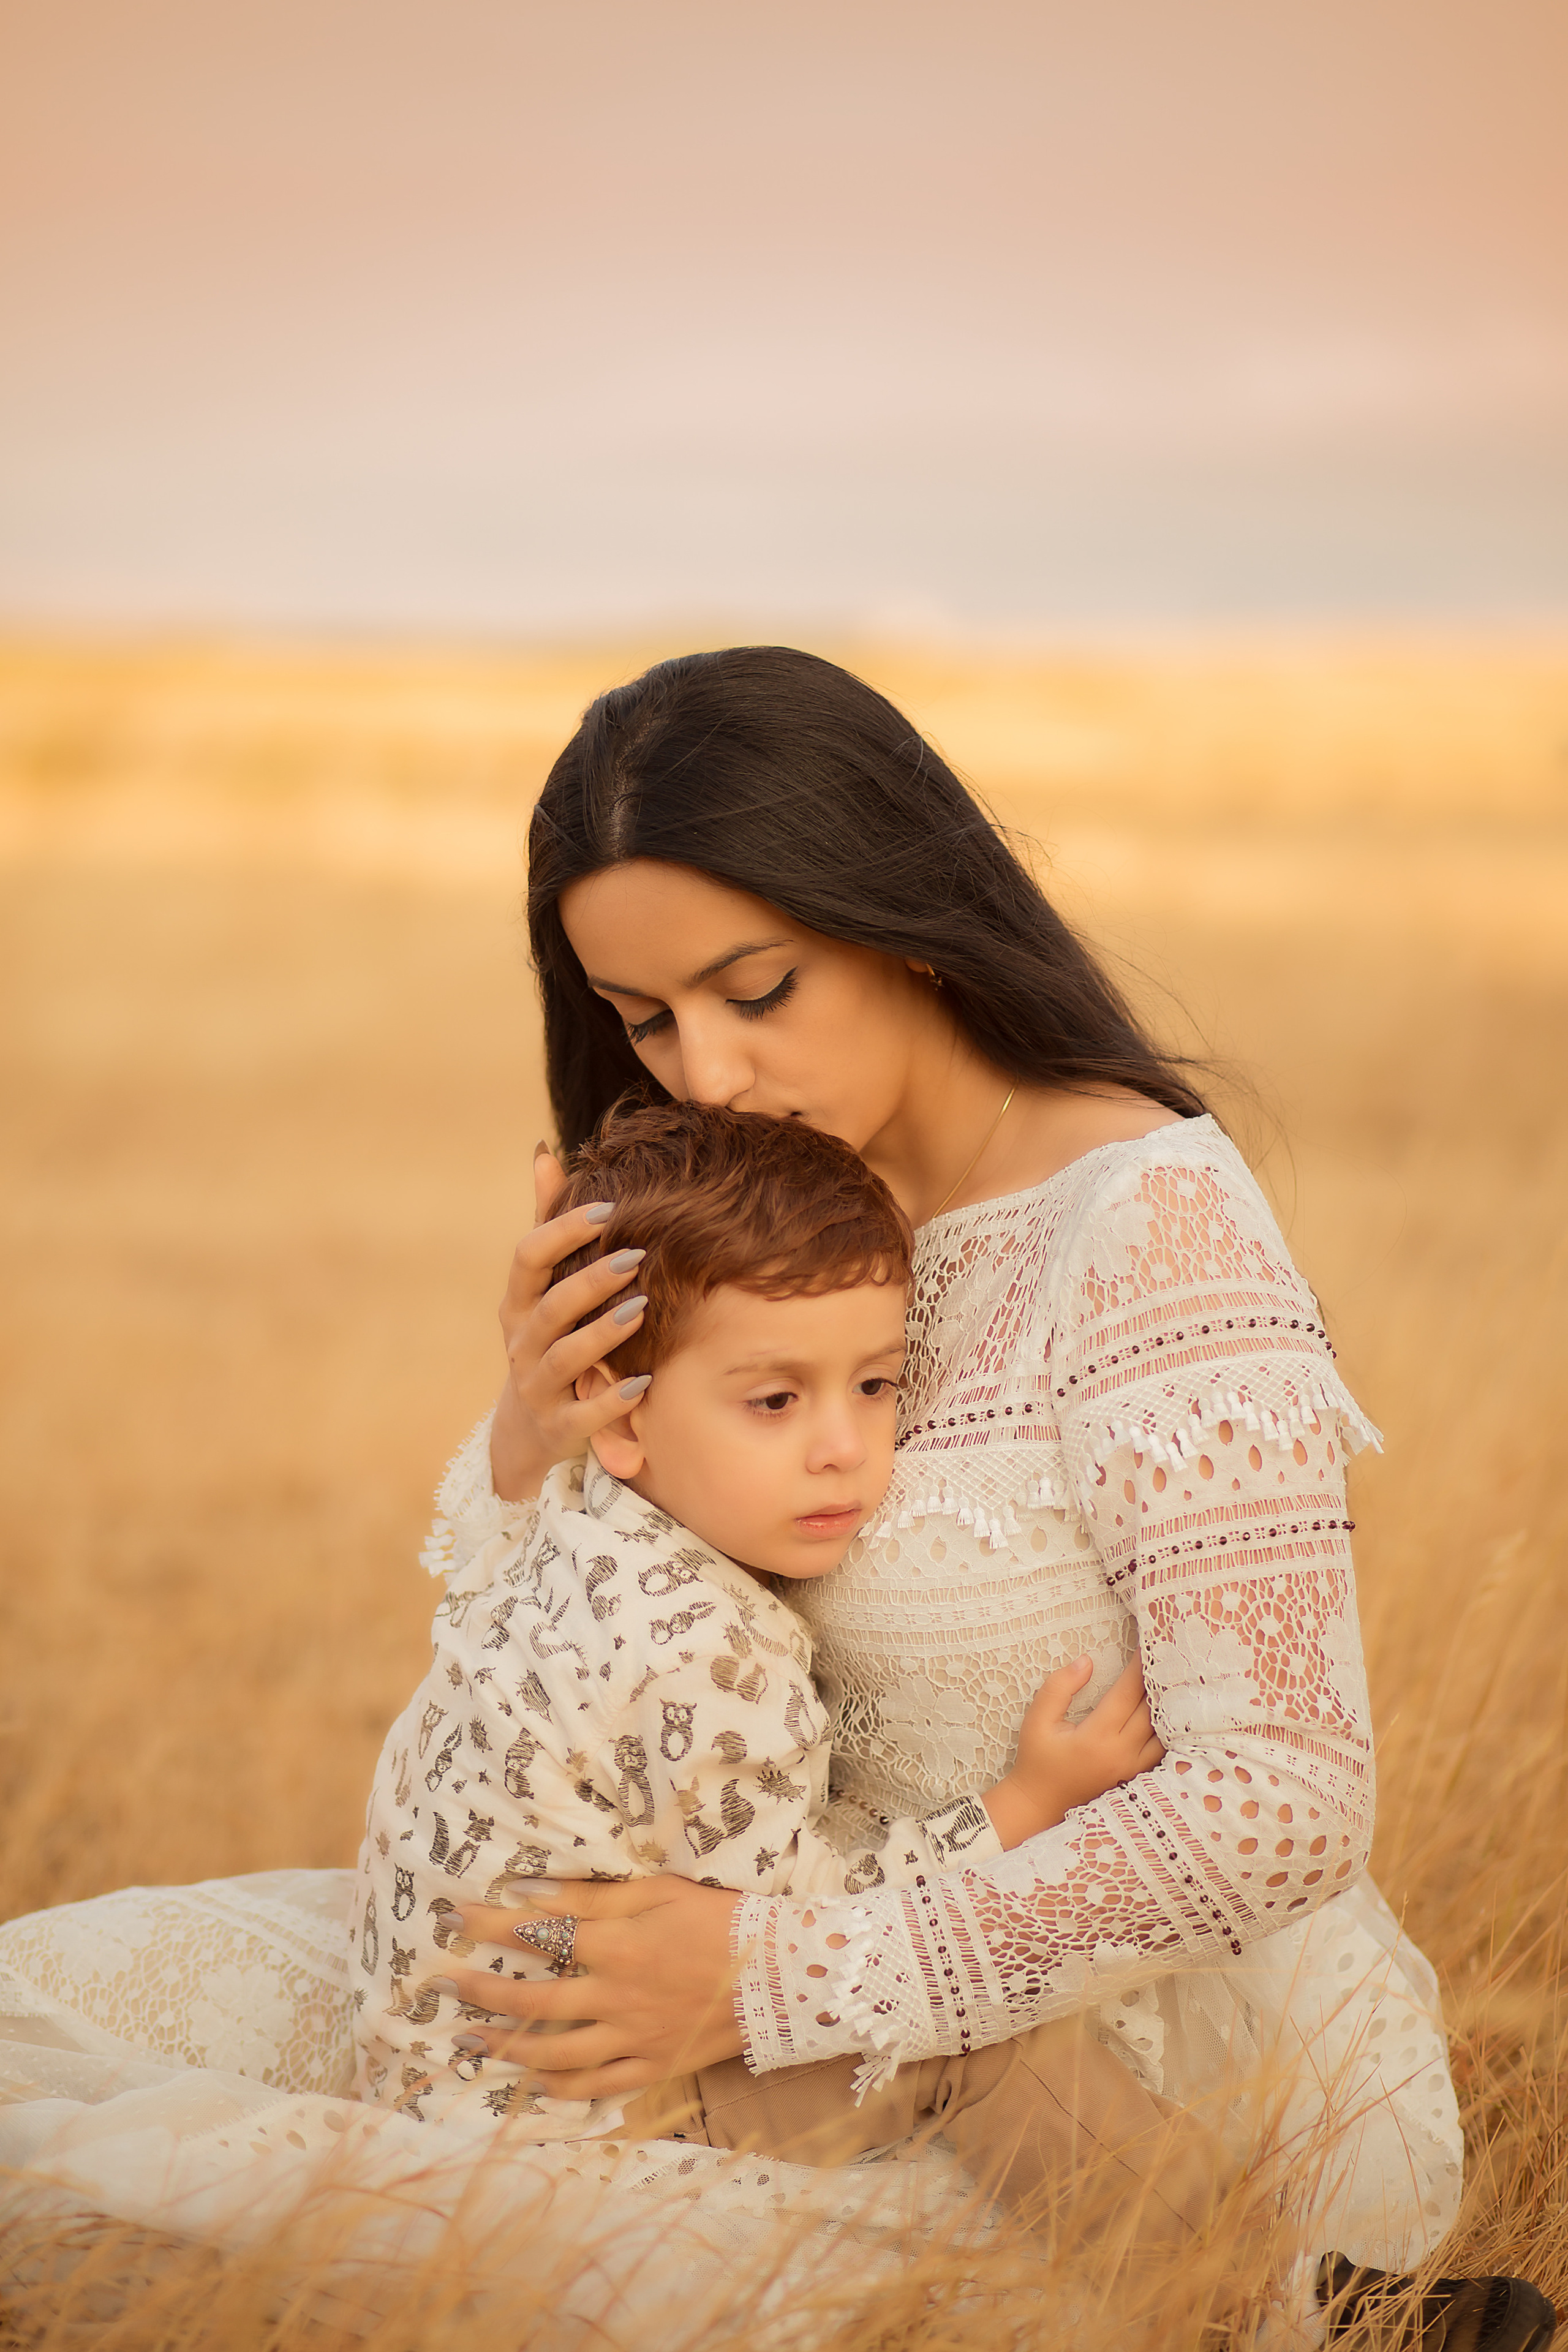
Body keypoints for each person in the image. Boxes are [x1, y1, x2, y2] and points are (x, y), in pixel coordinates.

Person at [423, 646, 1548, 2349]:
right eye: (647, 1021)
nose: (706, 1074)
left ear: (898, 911)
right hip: (736, 1957)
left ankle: (1319, 2309)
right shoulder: (742, 1211)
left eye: (757, 987)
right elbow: (534, 1665)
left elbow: (1288, 1794)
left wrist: (781, 1979)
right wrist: (533, 1433)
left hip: (1066, 2059)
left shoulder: (1148, 1224)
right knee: (77, 2057)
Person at [353, 1095, 1194, 2236]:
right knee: (987, 2035)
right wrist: (1021, 1806)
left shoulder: (582, 1513)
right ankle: (1269, 2296)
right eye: (775, 1400)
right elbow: (784, 1944)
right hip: (576, 2122)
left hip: (447, 2068)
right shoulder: (706, 1651)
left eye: (875, 1384)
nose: (843, 1445)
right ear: (621, 1420)